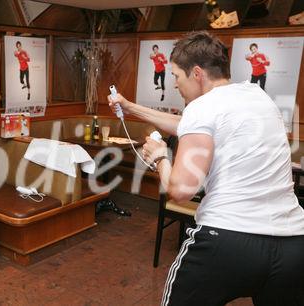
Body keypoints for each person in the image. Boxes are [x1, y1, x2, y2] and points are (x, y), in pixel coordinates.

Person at [108, 31, 304, 305]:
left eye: (176, 76)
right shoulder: (258, 98)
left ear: (197, 73)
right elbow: (195, 125)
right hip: (293, 243)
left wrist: (161, 157)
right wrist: (130, 107)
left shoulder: (202, 107)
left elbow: (180, 191)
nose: (175, 84)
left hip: (228, 240)